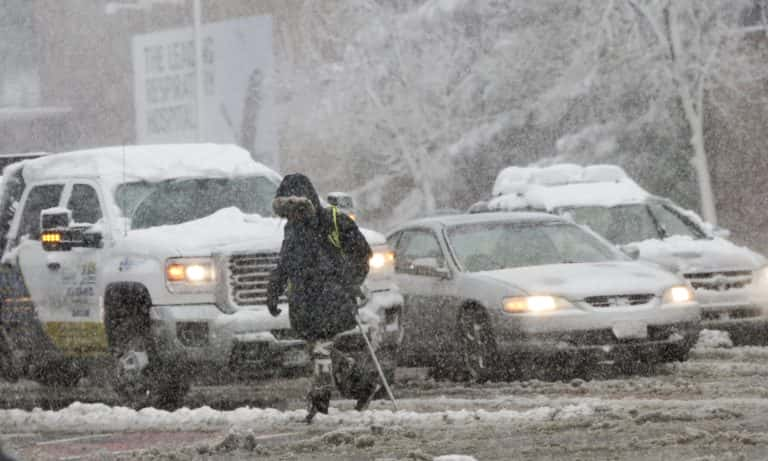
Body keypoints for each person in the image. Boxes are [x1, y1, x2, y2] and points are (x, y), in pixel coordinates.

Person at [266, 174, 372, 423]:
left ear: (309, 202)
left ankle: (320, 400)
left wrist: (349, 282)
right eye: (286, 209)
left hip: (332, 298)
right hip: (305, 301)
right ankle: (362, 383)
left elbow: (362, 255)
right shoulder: (292, 229)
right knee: (318, 348)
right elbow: (285, 263)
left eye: (296, 207)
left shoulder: (335, 221)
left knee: (321, 349)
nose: (292, 214)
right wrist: (274, 289)